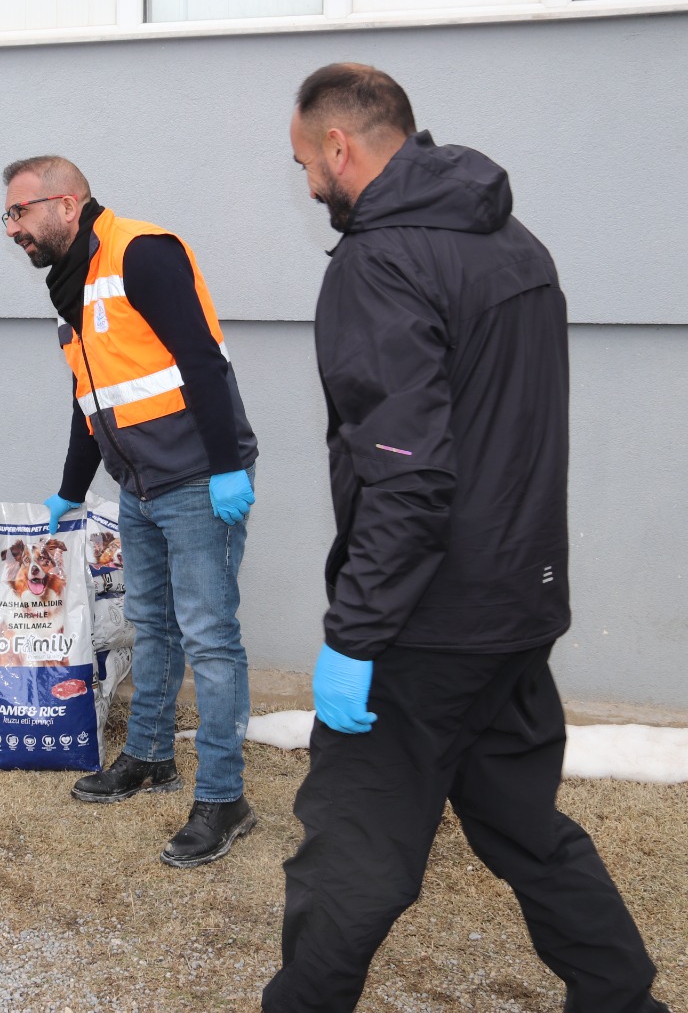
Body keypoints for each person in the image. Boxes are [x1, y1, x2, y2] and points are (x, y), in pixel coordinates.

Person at [264, 64, 668, 1010]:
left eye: (305, 164)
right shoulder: (518, 246)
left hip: (427, 624)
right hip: (517, 606)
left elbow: (409, 475)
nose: (308, 185)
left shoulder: (380, 264)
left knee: (353, 858)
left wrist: (357, 636)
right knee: (526, 828)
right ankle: (621, 997)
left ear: (339, 146)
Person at [1, 155, 260, 868]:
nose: (12, 228)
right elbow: (93, 399)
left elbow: (202, 361)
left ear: (67, 203)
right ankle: (149, 755)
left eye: (21, 211)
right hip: (141, 486)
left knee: (210, 638)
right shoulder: (71, 284)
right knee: (152, 623)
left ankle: (224, 798)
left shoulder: (141, 253)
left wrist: (227, 468)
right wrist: (71, 489)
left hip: (198, 479)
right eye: (7, 216)